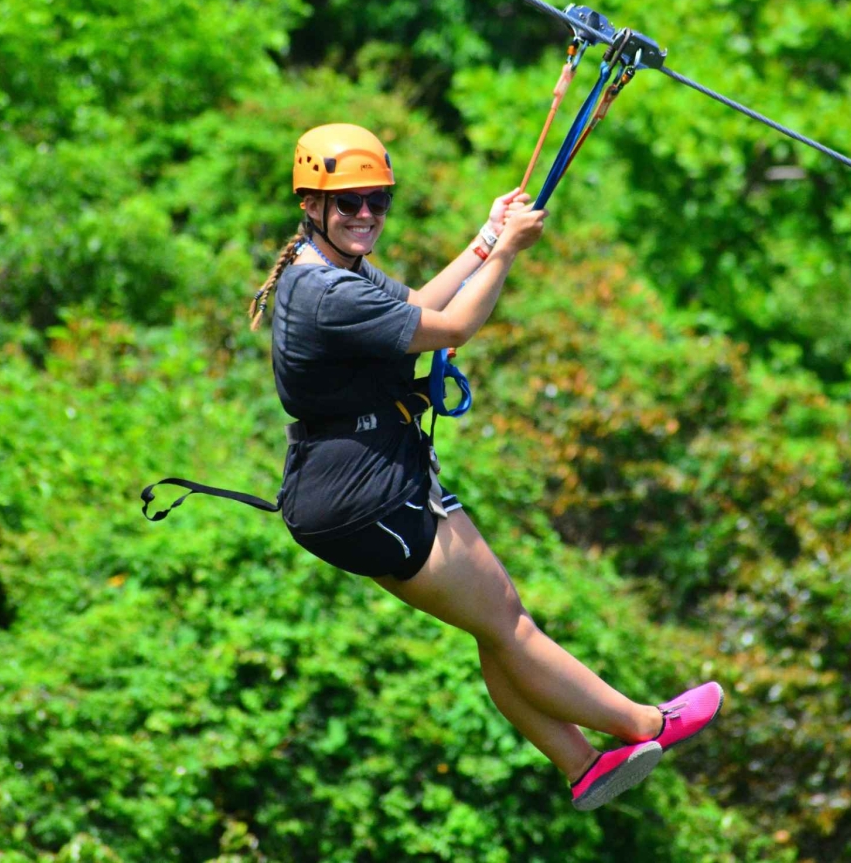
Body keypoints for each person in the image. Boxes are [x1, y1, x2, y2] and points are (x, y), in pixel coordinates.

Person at [248, 123, 723, 811]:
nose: (365, 215)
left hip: (357, 483)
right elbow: (452, 327)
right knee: (507, 619)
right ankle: (646, 723)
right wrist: (504, 256)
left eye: (377, 200)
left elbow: (419, 305)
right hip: (366, 491)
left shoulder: (335, 271)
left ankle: (582, 761)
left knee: (493, 627)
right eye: (348, 201)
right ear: (311, 203)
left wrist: (482, 238)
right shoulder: (328, 293)